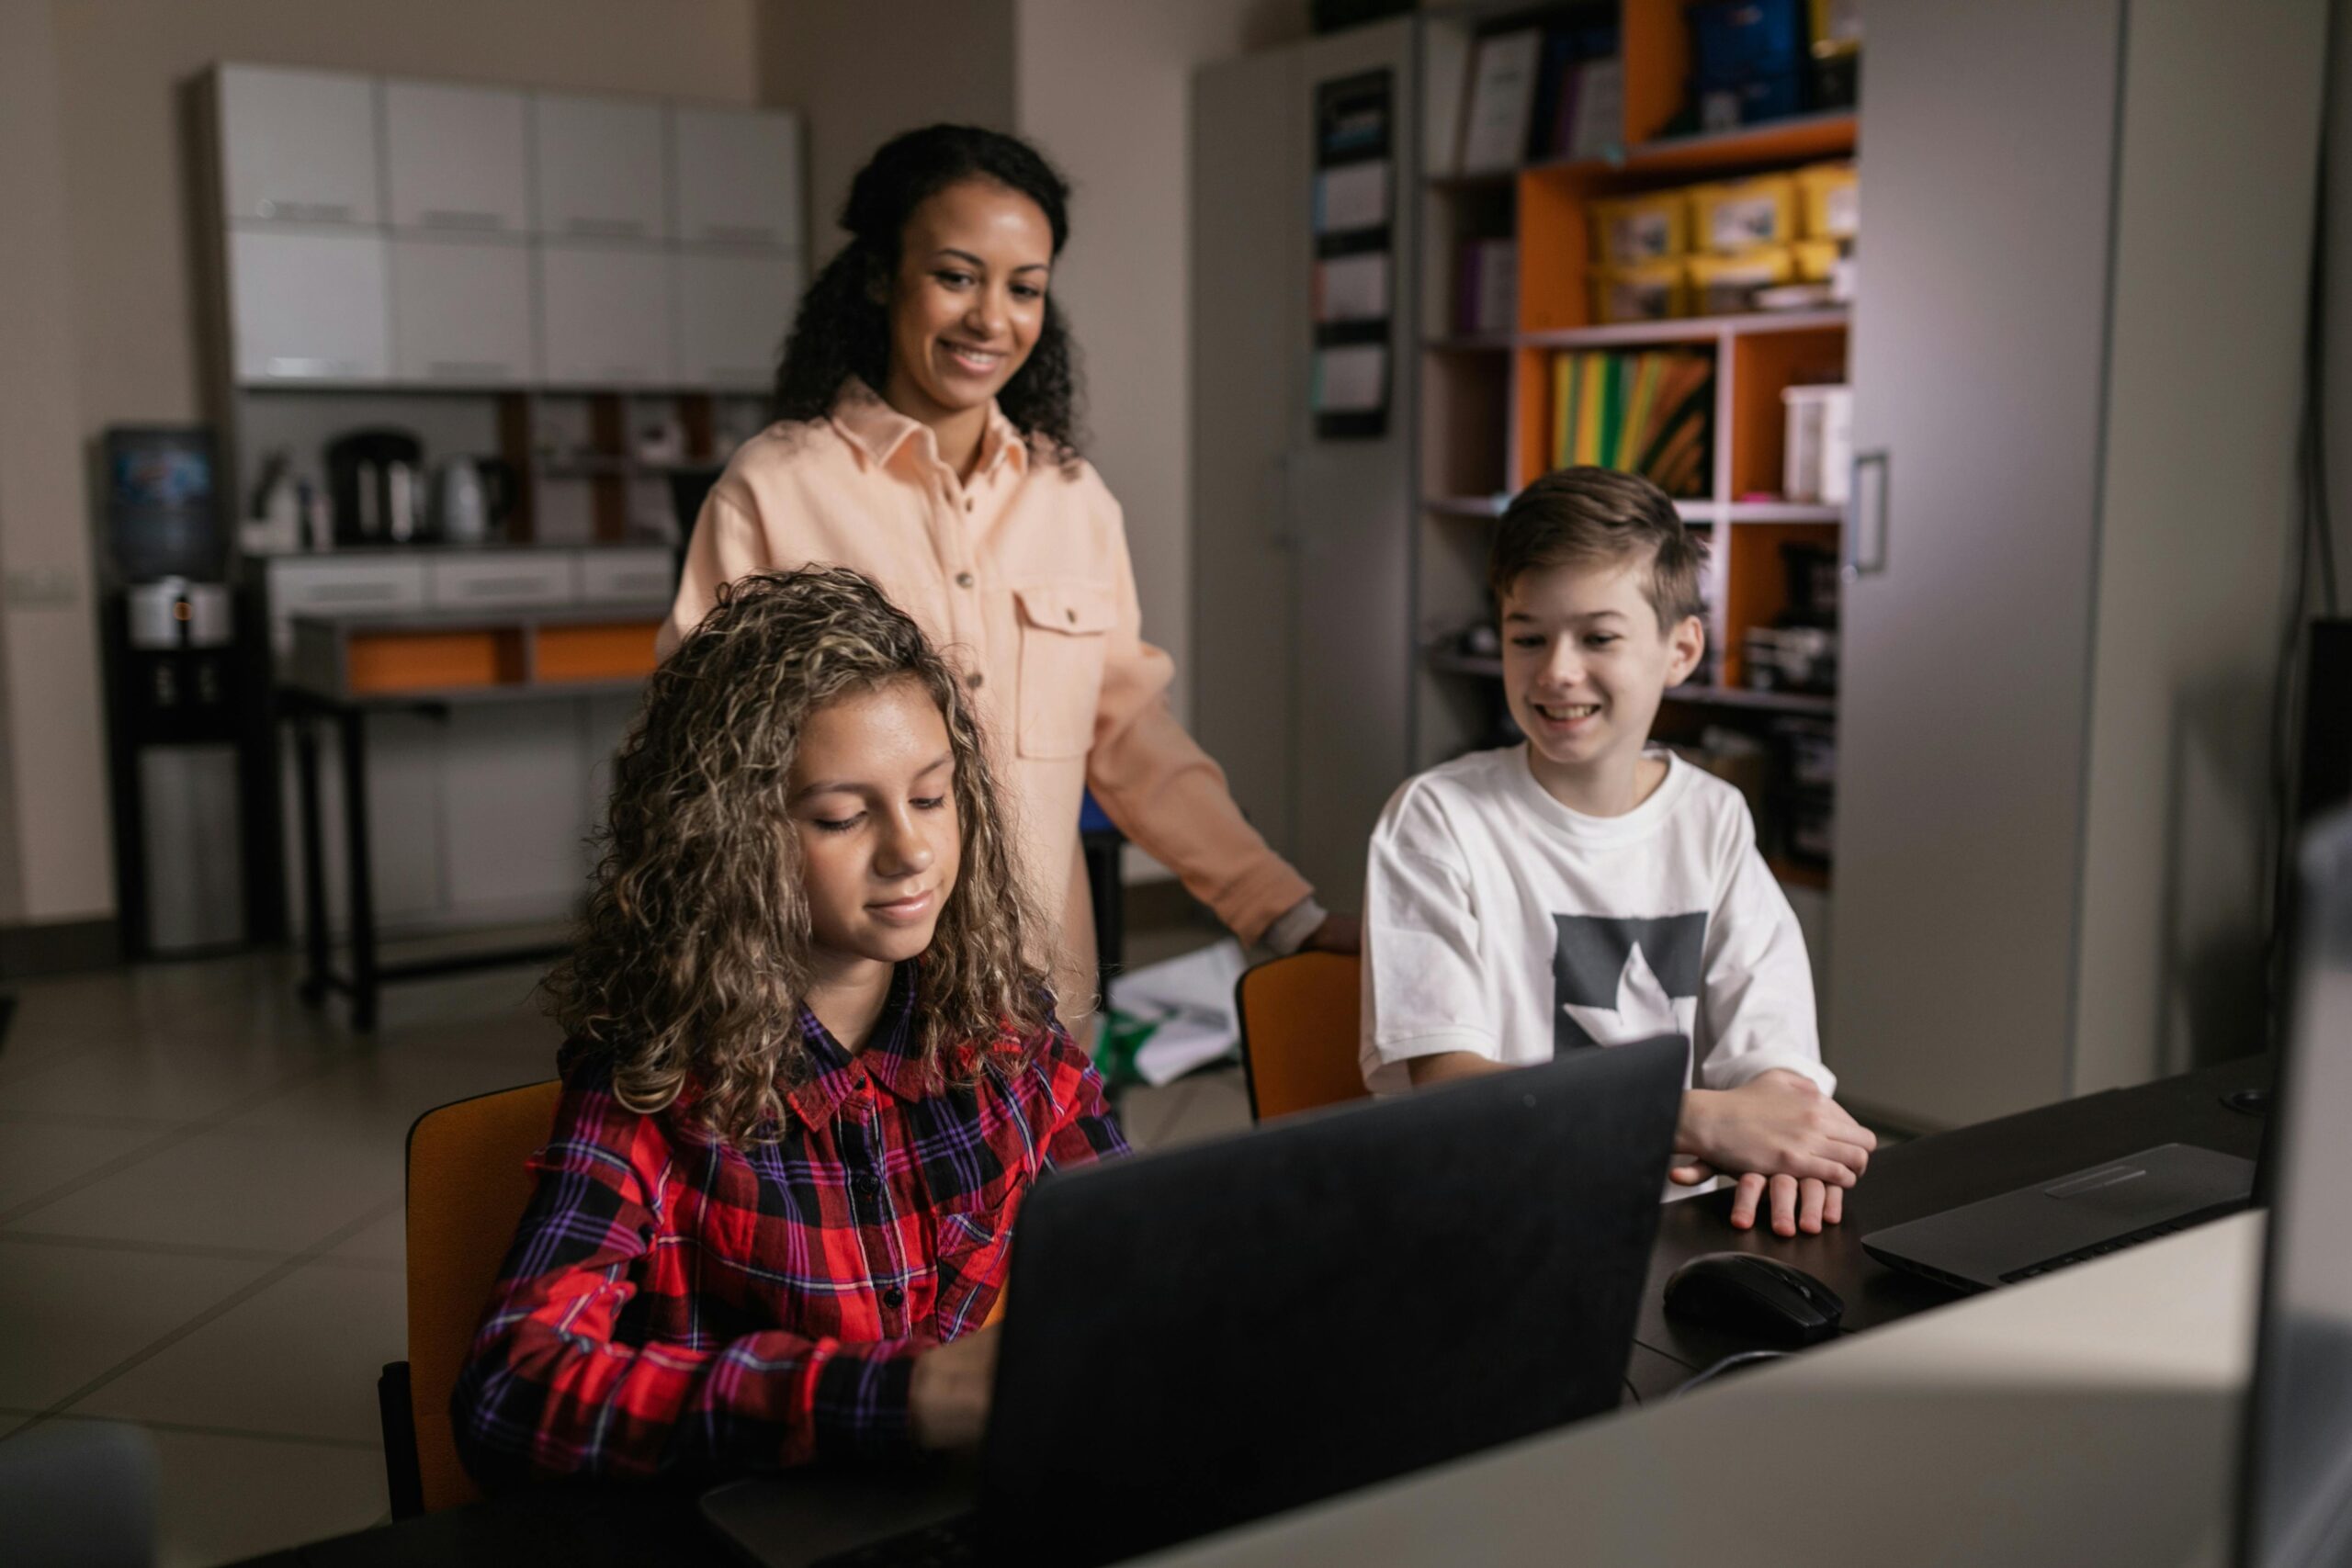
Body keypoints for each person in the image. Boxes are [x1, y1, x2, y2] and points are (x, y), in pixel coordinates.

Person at [662, 124, 1353, 1034]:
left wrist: (1282, 912)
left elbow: (1133, 740)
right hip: (834, 1013)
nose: (992, 318)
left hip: (1036, 1003)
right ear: (879, 276)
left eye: (1023, 288)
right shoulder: (777, 486)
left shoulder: (1073, 499)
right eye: (956, 276)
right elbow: (697, 765)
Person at [452, 567, 1125, 1484]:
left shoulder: (1003, 1032)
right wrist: (903, 1397)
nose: (912, 851)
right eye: (843, 817)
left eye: (931, 798)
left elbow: (1137, 1255)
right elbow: (511, 1390)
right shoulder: (652, 1087)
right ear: (731, 840)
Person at [1358, 468, 1875, 1238]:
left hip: (1678, 1224)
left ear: (1681, 648)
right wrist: (1695, 1121)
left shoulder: (1714, 816)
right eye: (1526, 635)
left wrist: (1780, 1131)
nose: (1557, 669)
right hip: (1497, 1220)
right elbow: (1452, 1088)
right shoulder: (1436, 818)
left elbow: (1772, 1042)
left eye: (1598, 636)